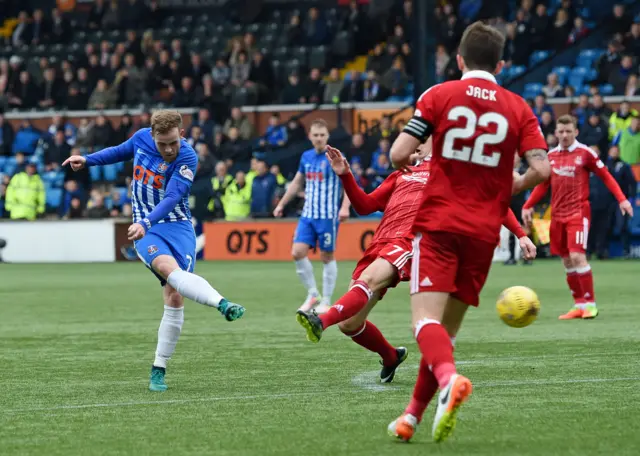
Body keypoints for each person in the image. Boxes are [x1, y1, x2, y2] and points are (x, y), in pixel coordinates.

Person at [385, 21, 551, 443]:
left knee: (424, 323)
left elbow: (399, 153)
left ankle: (449, 380)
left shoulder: (439, 95)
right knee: (446, 332)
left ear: (458, 59)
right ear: (502, 63)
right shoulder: (517, 106)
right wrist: (505, 186)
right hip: (483, 232)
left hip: (440, 223)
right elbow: (542, 169)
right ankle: (411, 418)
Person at [296, 142, 537, 385]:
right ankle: (391, 357)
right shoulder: (402, 174)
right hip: (381, 241)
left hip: (413, 240)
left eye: (421, 139)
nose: (415, 144)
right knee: (349, 323)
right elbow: (365, 206)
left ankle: (320, 320)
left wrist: (522, 234)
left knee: (366, 281)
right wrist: (345, 175)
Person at [63, 110, 245, 393]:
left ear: (181, 135)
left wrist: (145, 220)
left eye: (173, 142)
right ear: (152, 136)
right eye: (163, 144)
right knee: (168, 272)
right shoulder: (140, 139)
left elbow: (173, 196)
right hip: (148, 230)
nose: (169, 149)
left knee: (174, 297)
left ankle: (158, 368)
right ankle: (222, 303)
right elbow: (118, 152)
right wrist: (87, 160)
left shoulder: (188, 157)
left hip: (178, 226)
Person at [522, 115, 633, 320]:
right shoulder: (551, 156)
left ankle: (590, 304)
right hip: (557, 215)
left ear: (576, 132)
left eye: (568, 131)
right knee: (566, 260)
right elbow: (543, 185)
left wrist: (622, 199)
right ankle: (579, 304)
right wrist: (528, 205)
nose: (564, 135)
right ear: (556, 133)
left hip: (578, 212)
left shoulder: (585, 153)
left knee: (577, 256)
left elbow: (606, 176)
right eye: (561, 131)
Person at [273, 119, 350, 312]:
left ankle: (327, 300)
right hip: (308, 215)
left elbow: (349, 183)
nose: (318, 138)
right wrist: (282, 204)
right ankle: (313, 293)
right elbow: (297, 183)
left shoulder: (335, 157)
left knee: (326, 256)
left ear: (327, 136)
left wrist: (345, 207)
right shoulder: (306, 157)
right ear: (309, 136)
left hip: (327, 216)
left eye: (322, 135)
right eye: (315, 135)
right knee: (297, 252)